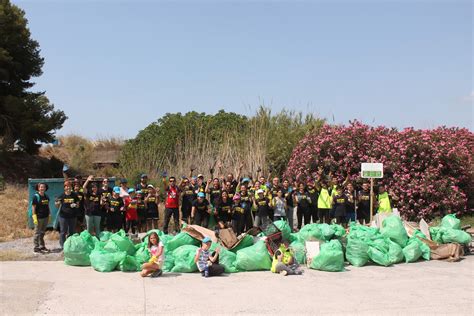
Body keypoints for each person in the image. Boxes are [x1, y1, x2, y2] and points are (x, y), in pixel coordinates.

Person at [55, 181, 79, 249]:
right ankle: (63, 246)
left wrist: (75, 205)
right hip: (63, 216)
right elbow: (57, 205)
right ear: (64, 188)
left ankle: (70, 245)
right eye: (66, 186)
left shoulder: (74, 195)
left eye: (69, 186)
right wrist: (57, 203)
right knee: (63, 232)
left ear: (71, 187)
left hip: (73, 216)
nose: (68, 187)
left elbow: (78, 205)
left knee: (72, 232)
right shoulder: (62, 195)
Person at [32, 183, 50, 253]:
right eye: (41, 187)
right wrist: (34, 217)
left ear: (45, 188)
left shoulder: (46, 196)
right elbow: (33, 207)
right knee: (37, 232)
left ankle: (42, 246)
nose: (42, 188)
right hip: (39, 217)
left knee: (42, 232)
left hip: (45, 217)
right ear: (38, 188)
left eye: (44, 187)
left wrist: (50, 214)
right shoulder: (36, 196)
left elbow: (47, 206)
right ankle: (36, 247)